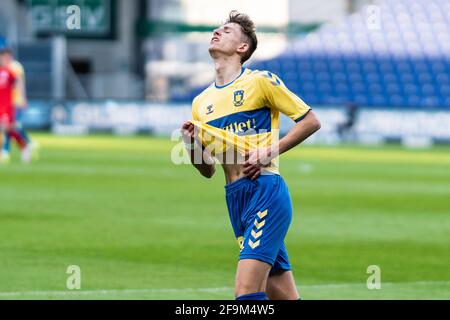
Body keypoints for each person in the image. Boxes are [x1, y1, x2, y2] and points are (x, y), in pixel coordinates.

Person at [180, 11, 321, 300]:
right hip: (235, 197)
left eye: (227, 30)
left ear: (242, 47)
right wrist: (191, 144)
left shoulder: (260, 82)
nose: (217, 32)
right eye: (217, 29)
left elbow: (310, 121)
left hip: (265, 192)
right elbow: (208, 170)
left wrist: (268, 152)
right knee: (281, 294)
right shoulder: (201, 102)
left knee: (246, 293)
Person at [0, 47, 35, 164]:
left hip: (7, 106)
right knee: (9, 129)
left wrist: (22, 98)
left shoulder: (9, 71)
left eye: (8, 57)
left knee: (7, 128)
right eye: (4, 57)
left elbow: (18, 82)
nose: (6, 59)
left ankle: (23, 147)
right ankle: (24, 146)